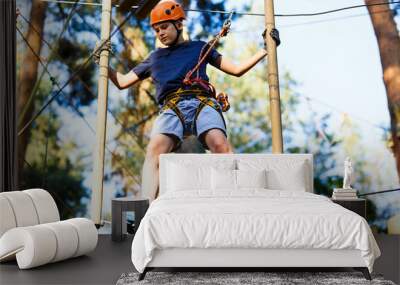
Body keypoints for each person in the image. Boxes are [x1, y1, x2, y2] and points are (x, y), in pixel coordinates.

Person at [94, 0, 280, 202]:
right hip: (172, 108)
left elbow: (236, 70)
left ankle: (235, 197)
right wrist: (103, 62)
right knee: (154, 150)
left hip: (202, 103)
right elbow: (122, 81)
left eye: (164, 27)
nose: (160, 33)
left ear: (179, 25)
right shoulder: (154, 58)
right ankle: (146, 205)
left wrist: (266, 49)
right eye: (157, 30)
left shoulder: (199, 48)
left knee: (219, 144)